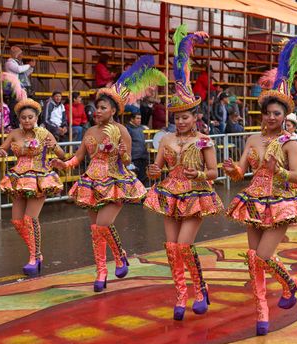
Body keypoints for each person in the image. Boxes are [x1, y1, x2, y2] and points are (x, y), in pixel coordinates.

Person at [223, 33, 297, 336]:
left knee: (262, 256)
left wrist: (278, 172)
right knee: (253, 260)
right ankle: (262, 312)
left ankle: (289, 281)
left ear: (284, 116)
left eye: (278, 113)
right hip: (252, 199)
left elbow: (296, 178)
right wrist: (233, 170)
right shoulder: (252, 138)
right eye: (269, 113)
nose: (272, 117)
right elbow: (241, 170)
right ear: (262, 115)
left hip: (280, 201)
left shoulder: (290, 142)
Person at [52, 55, 166, 292]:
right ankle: (101, 271)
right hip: (92, 182)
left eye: (103, 108)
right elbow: (79, 157)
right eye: (97, 108)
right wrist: (63, 164)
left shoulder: (121, 130)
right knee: (95, 229)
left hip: (115, 181)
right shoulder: (90, 131)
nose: (97, 111)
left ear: (113, 110)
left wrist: (123, 152)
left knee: (103, 225)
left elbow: (126, 161)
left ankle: (120, 255)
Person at [144, 25, 222, 321]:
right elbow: (159, 167)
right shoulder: (165, 139)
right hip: (170, 194)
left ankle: (200, 290)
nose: (180, 121)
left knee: (185, 246)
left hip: (196, 194)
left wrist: (198, 175)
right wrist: (154, 170)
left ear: (195, 116)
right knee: (171, 248)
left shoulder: (205, 140)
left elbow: (213, 172)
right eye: (177, 117)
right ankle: (180, 294)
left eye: (185, 116)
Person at [0, 98, 66, 276]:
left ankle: (33, 257)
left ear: (36, 117)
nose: (27, 120)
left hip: (39, 178)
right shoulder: (14, 134)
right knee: (17, 222)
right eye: (23, 117)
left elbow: (62, 154)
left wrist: (54, 146)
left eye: (30, 117)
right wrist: (0, 151)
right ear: (19, 118)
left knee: (30, 219)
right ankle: (37, 253)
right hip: (19, 178)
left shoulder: (44, 133)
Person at [126, 112, 149, 184]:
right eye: (137, 118)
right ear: (132, 119)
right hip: (135, 158)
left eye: (140, 118)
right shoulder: (127, 129)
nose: (139, 120)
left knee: (143, 178)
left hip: (143, 157)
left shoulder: (141, 128)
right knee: (135, 179)